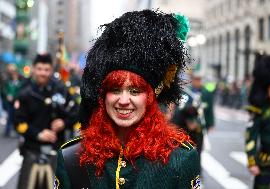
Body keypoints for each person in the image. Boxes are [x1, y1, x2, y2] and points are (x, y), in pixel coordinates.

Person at [54, 10, 201, 189]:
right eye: (115, 90)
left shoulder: (181, 158)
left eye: (134, 91)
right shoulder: (71, 156)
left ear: (150, 96)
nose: (123, 100)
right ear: (103, 96)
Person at [14, 53, 78, 189]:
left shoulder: (61, 90)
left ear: (51, 70)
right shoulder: (24, 92)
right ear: (33, 68)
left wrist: (64, 123)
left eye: (46, 69)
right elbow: (18, 123)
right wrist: (38, 134)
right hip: (32, 151)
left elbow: (76, 112)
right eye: (39, 69)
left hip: (56, 152)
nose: (43, 73)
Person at [245, 53, 270, 189]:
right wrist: (252, 162)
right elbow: (251, 138)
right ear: (266, 90)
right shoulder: (259, 112)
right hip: (266, 162)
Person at [171, 71, 215, 173]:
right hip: (186, 128)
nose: (197, 81)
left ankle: (197, 174)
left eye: (199, 79)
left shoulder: (206, 93)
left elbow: (209, 110)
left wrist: (210, 124)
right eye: (196, 79)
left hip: (199, 129)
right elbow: (180, 109)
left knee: (197, 152)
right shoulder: (186, 93)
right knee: (184, 151)